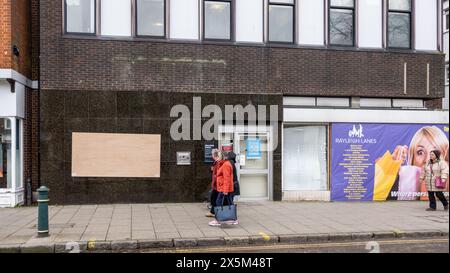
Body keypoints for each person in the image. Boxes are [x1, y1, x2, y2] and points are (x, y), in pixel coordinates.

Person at [209, 151, 238, 226]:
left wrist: (225, 190)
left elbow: (227, 178)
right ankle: (233, 219)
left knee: (218, 203)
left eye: (219, 156)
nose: (218, 158)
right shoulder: (224, 164)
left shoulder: (226, 165)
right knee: (229, 203)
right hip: (223, 188)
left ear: (222, 157)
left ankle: (218, 220)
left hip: (224, 189)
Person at [205, 149, 222, 218]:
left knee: (214, 198)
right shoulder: (216, 162)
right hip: (216, 184)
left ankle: (216, 213)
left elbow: (219, 174)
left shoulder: (218, 162)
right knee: (213, 198)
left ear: (214, 155)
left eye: (212, 154)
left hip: (217, 184)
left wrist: (215, 177)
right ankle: (213, 212)